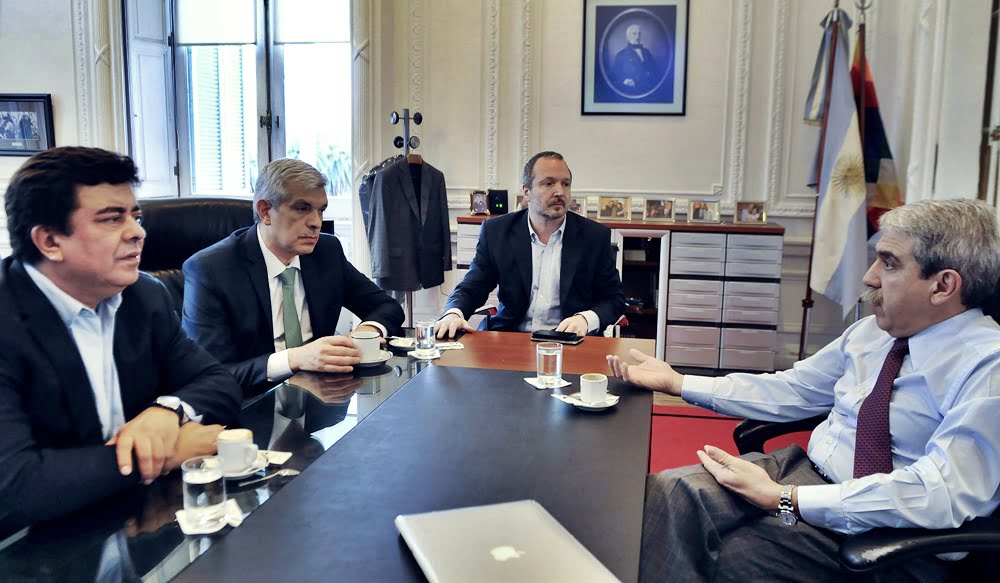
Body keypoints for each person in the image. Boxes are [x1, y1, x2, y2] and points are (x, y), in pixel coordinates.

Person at [607, 198, 1000, 582]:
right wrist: (679, 383)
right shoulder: (872, 333)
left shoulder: (987, 366)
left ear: (943, 285)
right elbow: (792, 389)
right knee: (667, 494)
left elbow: (941, 493)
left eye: (889, 262)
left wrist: (787, 499)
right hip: (805, 471)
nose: (869, 276)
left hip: (891, 532)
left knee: (728, 558)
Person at [0, 147, 242, 535]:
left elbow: (218, 382)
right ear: (49, 241)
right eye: (112, 219)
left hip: (132, 525)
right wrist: (167, 454)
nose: (138, 232)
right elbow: (16, 488)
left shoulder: (143, 296)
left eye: (136, 215)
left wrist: (167, 413)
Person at [182, 158, 405, 395]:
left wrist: (365, 332)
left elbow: (387, 307)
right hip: (249, 406)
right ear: (265, 211)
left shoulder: (326, 252)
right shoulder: (211, 269)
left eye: (321, 210)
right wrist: (294, 359)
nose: (316, 223)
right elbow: (209, 377)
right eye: (302, 208)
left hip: (320, 401)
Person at [435, 151, 625, 337]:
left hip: (570, 342)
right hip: (511, 339)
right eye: (548, 183)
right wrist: (454, 313)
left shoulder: (594, 236)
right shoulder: (497, 232)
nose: (560, 192)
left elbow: (613, 299)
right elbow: (473, 287)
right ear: (527, 192)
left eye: (565, 184)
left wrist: (585, 319)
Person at [612, 24, 658, 95]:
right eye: (634, 34)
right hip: (631, 92)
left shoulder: (647, 52)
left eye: (639, 34)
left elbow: (655, 71)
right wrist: (624, 81)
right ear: (628, 37)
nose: (637, 37)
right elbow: (615, 76)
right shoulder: (620, 55)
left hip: (649, 91)